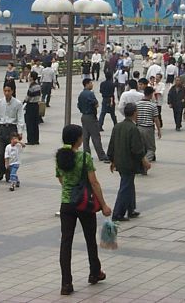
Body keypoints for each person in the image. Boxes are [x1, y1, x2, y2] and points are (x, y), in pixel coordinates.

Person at [56, 124, 112, 296]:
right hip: (84, 204)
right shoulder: (84, 157)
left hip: (66, 204)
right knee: (89, 238)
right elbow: (94, 182)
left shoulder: (60, 157)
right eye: (81, 136)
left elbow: (61, 179)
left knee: (66, 243)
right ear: (77, 140)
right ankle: (95, 272)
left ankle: (66, 283)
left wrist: (70, 189)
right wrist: (103, 205)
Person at [108, 103, 149, 222]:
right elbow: (137, 149)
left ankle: (130, 209)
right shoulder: (133, 128)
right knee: (125, 186)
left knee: (129, 184)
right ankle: (117, 213)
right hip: (129, 163)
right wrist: (144, 161)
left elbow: (111, 146)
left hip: (120, 161)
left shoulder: (118, 126)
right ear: (135, 113)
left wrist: (112, 160)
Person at [0, 85, 25, 182]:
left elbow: (20, 118)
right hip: (2, 128)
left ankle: (8, 174)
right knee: (1, 153)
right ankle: (1, 171)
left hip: (12, 128)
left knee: (11, 153)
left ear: (12, 91)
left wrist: (20, 132)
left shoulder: (18, 103)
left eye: (9, 91)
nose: (7, 93)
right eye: (5, 91)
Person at [78, 78, 109, 162]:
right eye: (91, 83)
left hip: (84, 116)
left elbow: (79, 106)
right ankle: (101, 155)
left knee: (85, 137)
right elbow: (95, 103)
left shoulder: (81, 94)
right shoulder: (90, 94)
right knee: (96, 136)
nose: (92, 84)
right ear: (87, 84)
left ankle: (86, 154)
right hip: (91, 117)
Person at [136, 86, 161, 167]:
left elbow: (135, 117)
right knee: (151, 149)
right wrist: (159, 130)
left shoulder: (137, 104)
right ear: (151, 94)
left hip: (138, 127)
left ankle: (140, 163)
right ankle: (144, 163)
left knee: (141, 148)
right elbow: (156, 119)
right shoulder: (153, 105)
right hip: (148, 128)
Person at [24, 71, 42, 145]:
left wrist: (24, 102)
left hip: (31, 105)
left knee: (29, 123)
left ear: (31, 77)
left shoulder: (32, 86)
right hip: (36, 105)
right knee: (35, 123)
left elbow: (28, 97)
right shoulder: (38, 85)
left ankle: (31, 140)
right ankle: (36, 139)